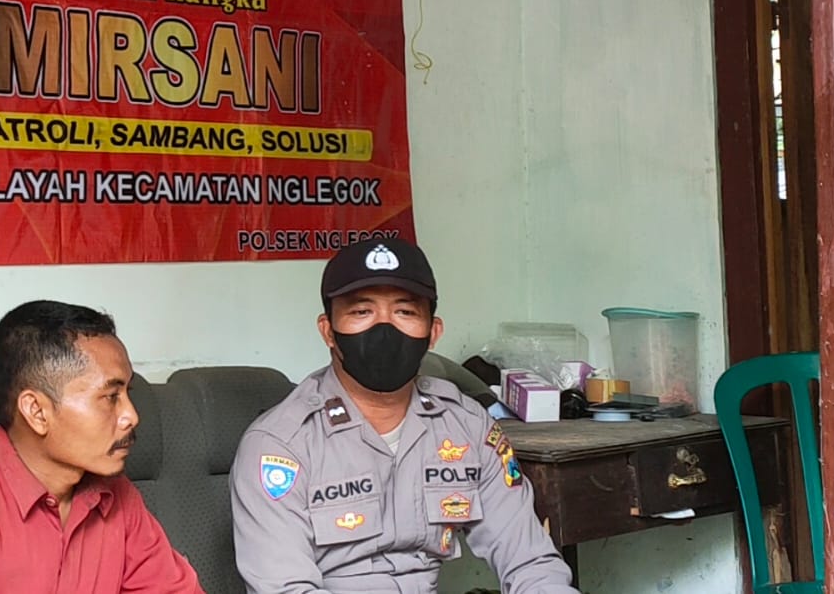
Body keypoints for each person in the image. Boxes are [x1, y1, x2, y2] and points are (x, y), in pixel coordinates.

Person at [230, 239, 580, 594]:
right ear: (328, 331)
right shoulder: (281, 444)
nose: (384, 328)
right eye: (361, 312)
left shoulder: (467, 425)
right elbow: (285, 590)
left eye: (405, 312)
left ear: (433, 332)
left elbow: (530, 561)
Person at [0, 300, 203, 594]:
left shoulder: (117, 495)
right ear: (37, 412)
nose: (131, 416)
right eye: (111, 397)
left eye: (127, 394)